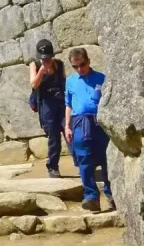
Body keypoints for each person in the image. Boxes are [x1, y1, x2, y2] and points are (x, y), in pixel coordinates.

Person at [64, 47, 114, 212]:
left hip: (99, 122)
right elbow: (68, 104)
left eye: (82, 65)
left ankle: (112, 193)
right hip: (79, 122)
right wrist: (67, 126)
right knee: (84, 160)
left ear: (88, 61)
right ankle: (91, 197)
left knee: (106, 158)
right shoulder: (70, 81)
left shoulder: (101, 78)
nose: (79, 69)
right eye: (75, 66)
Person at [28, 39, 69, 178]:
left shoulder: (59, 64)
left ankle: (81, 163)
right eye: (44, 59)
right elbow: (34, 85)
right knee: (54, 137)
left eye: (49, 58)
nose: (47, 61)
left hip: (61, 102)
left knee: (70, 131)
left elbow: (64, 82)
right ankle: (52, 167)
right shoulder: (35, 65)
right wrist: (41, 72)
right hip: (46, 105)